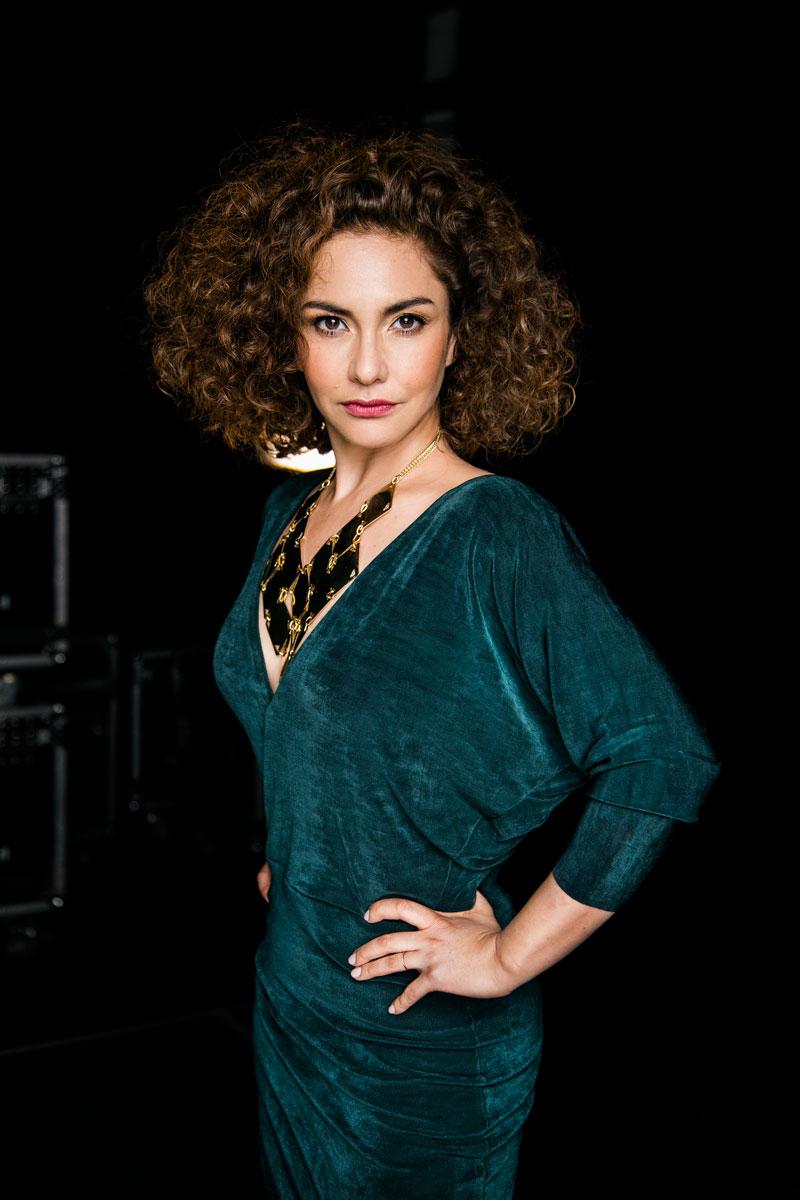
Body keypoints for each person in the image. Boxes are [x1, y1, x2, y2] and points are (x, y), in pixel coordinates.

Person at [143, 117, 721, 1200]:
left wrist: (504, 956)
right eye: (330, 322)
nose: (367, 364)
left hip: (419, 1042)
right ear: (281, 335)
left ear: (459, 337)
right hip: (295, 994)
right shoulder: (286, 515)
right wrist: (294, 852)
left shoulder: (495, 530)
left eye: (406, 321)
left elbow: (659, 760)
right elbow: (301, 723)